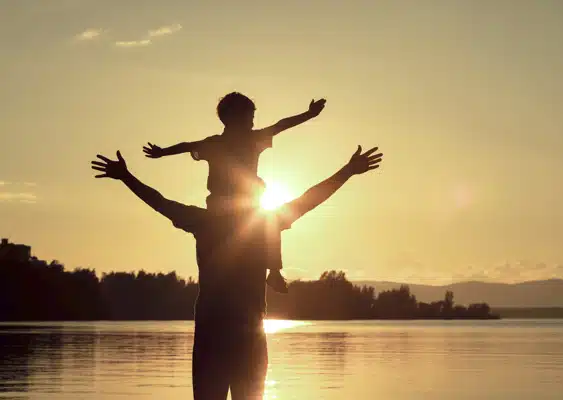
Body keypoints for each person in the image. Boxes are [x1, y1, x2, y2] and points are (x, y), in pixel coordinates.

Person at [91, 145, 382, 399]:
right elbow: (309, 199)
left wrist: (126, 177)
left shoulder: (204, 222)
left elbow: (160, 202)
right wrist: (347, 171)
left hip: (215, 329)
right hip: (245, 330)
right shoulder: (262, 223)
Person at [142, 92, 327, 293]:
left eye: (252, 118)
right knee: (270, 219)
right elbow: (188, 146)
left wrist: (308, 115)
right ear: (231, 118)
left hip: (245, 204)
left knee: (270, 219)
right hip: (222, 206)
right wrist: (162, 152)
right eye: (249, 118)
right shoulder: (219, 143)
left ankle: (273, 272)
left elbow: (281, 125)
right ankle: (273, 271)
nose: (252, 122)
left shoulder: (233, 141)